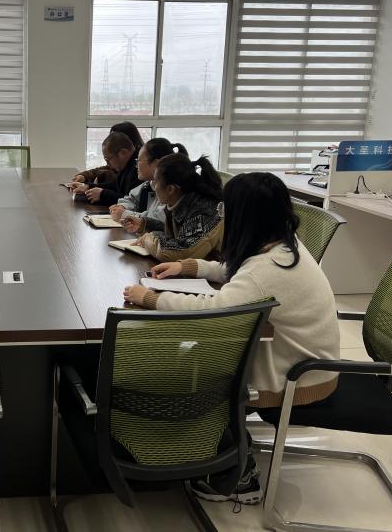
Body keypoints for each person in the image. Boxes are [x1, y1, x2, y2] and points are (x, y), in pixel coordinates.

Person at [122, 172, 340, 504]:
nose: (222, 216)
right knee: (191, 356)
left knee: (189, 366)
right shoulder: (282, 245)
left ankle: (239, 475)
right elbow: (242, 270)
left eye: (226, 210)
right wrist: (191, 267)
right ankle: (204, 446)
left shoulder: (269, 271)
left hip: (297, 378)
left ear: (244, 217)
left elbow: (211, 312)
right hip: (303, 362)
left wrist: (150, 298)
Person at [126, 154, 224, 261]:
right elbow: (177, 236)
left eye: (155, 181)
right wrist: (144, 224)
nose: (153, 186)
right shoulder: (180, 201)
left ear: (170, 189)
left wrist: (148, 239)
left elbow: (180, 252)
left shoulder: (203, 210)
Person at [109, 139, 187, 225]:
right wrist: (121, 207)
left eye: (139, 161)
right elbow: (131, 199)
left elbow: (159, 220)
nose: (136, 165)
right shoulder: (149, 184)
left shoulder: (171, 187)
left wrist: (125, 214)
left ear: (156, 163)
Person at [71, 132, 140, 205]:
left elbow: (132, 202)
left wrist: (103, 194)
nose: (108, 164)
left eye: (108, 159)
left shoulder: (138, 168)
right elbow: (113, 185)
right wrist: (87, 186)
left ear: (123, 153)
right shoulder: (126, 165)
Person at [71, 122, 145, 185]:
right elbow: (107, 168)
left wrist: (102, 178)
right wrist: (84, 176)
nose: (110, 139)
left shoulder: (138, 165)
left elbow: (116, 184)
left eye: (114, 137)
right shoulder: (124, 160)